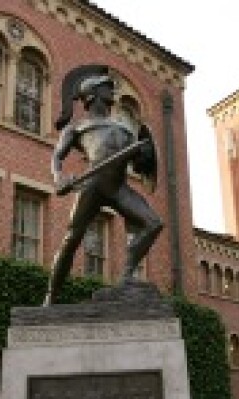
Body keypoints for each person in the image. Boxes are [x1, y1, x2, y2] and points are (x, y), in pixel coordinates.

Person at [44, 64, 161, 306]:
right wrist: (59, 177)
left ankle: (127, 276)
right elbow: (57, 156)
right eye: (108, 88)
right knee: (71, 240)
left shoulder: (125, 128)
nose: (113, 92)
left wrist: (144, 153)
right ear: (94, 93)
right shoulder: (76, 127)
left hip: (118, 187)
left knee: (153, 224)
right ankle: (51, 295)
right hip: (92, 185)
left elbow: (140, 163)